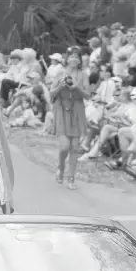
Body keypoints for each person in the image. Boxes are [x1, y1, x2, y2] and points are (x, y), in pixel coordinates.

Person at [51, 46, 90, 189]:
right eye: (71, 56)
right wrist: (60, 87)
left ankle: (71, 178)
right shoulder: (60, 72)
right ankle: (61, 167)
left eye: (77, 57)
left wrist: (76, 87)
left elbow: (88, 95)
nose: (74, 59)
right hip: (61, 109)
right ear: (66, 58)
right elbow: (51, 94)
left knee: (74, 147)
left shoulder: (83, 74)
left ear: (80, 60)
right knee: (64, 147)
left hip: (77, 110)